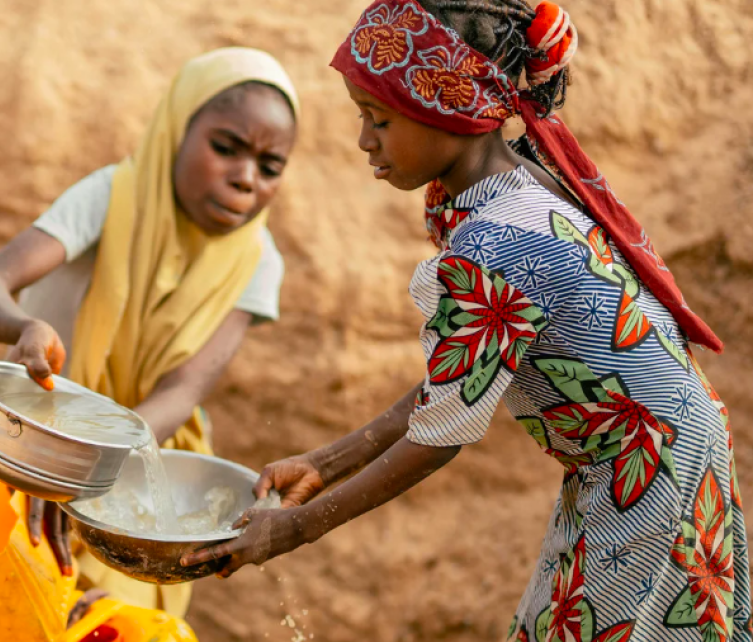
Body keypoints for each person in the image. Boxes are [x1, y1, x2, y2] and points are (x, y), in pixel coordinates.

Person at [182, 3, 752, 640]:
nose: (364, 140)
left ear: (446, 107)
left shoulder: (492, 244)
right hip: (663, 452)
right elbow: (462, 380)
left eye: (379, 119)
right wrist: (326, 462)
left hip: (648, 476)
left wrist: (291, 530)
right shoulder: (521, 188)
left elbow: (441, 435)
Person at [0, 47, 299, 617]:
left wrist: (91, 472)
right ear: (176, 132)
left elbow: (184, 390)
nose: (245, 179)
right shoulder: (112, 197)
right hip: (41, 451)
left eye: (270, 166)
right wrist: (25, 326)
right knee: (22, 608)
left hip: (146, 470)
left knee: (116, 618)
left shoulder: (258, 262)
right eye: (225, 148)